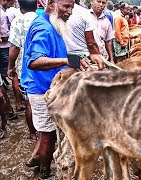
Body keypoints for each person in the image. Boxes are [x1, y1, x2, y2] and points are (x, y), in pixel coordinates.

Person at [20, 0, 89, 178]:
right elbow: (34, 61)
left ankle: (36, 157)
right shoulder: (43, 28)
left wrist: (73, 58)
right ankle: (44, 172)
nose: (70, 12)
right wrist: (66, 61)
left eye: (72, 7)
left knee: (45, 132)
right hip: (42, 89)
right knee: (49, 135)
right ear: (51, 4)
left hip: (49, 86)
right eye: (66, 6)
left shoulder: (50, 22)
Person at [8, 0, 38, 140]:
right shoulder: (43, 19)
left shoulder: (17, 21)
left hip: (25, 68)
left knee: (29, 103)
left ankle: (33, 134)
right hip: (44, 66)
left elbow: (14, 47)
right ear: (37, 5)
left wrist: (10, 66)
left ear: (20, 7)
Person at [65, 0, 105, 70]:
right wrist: (97, 55)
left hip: (63, 58)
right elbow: (91, 43)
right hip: (83, 60)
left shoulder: (56, 12)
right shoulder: (84, 13)